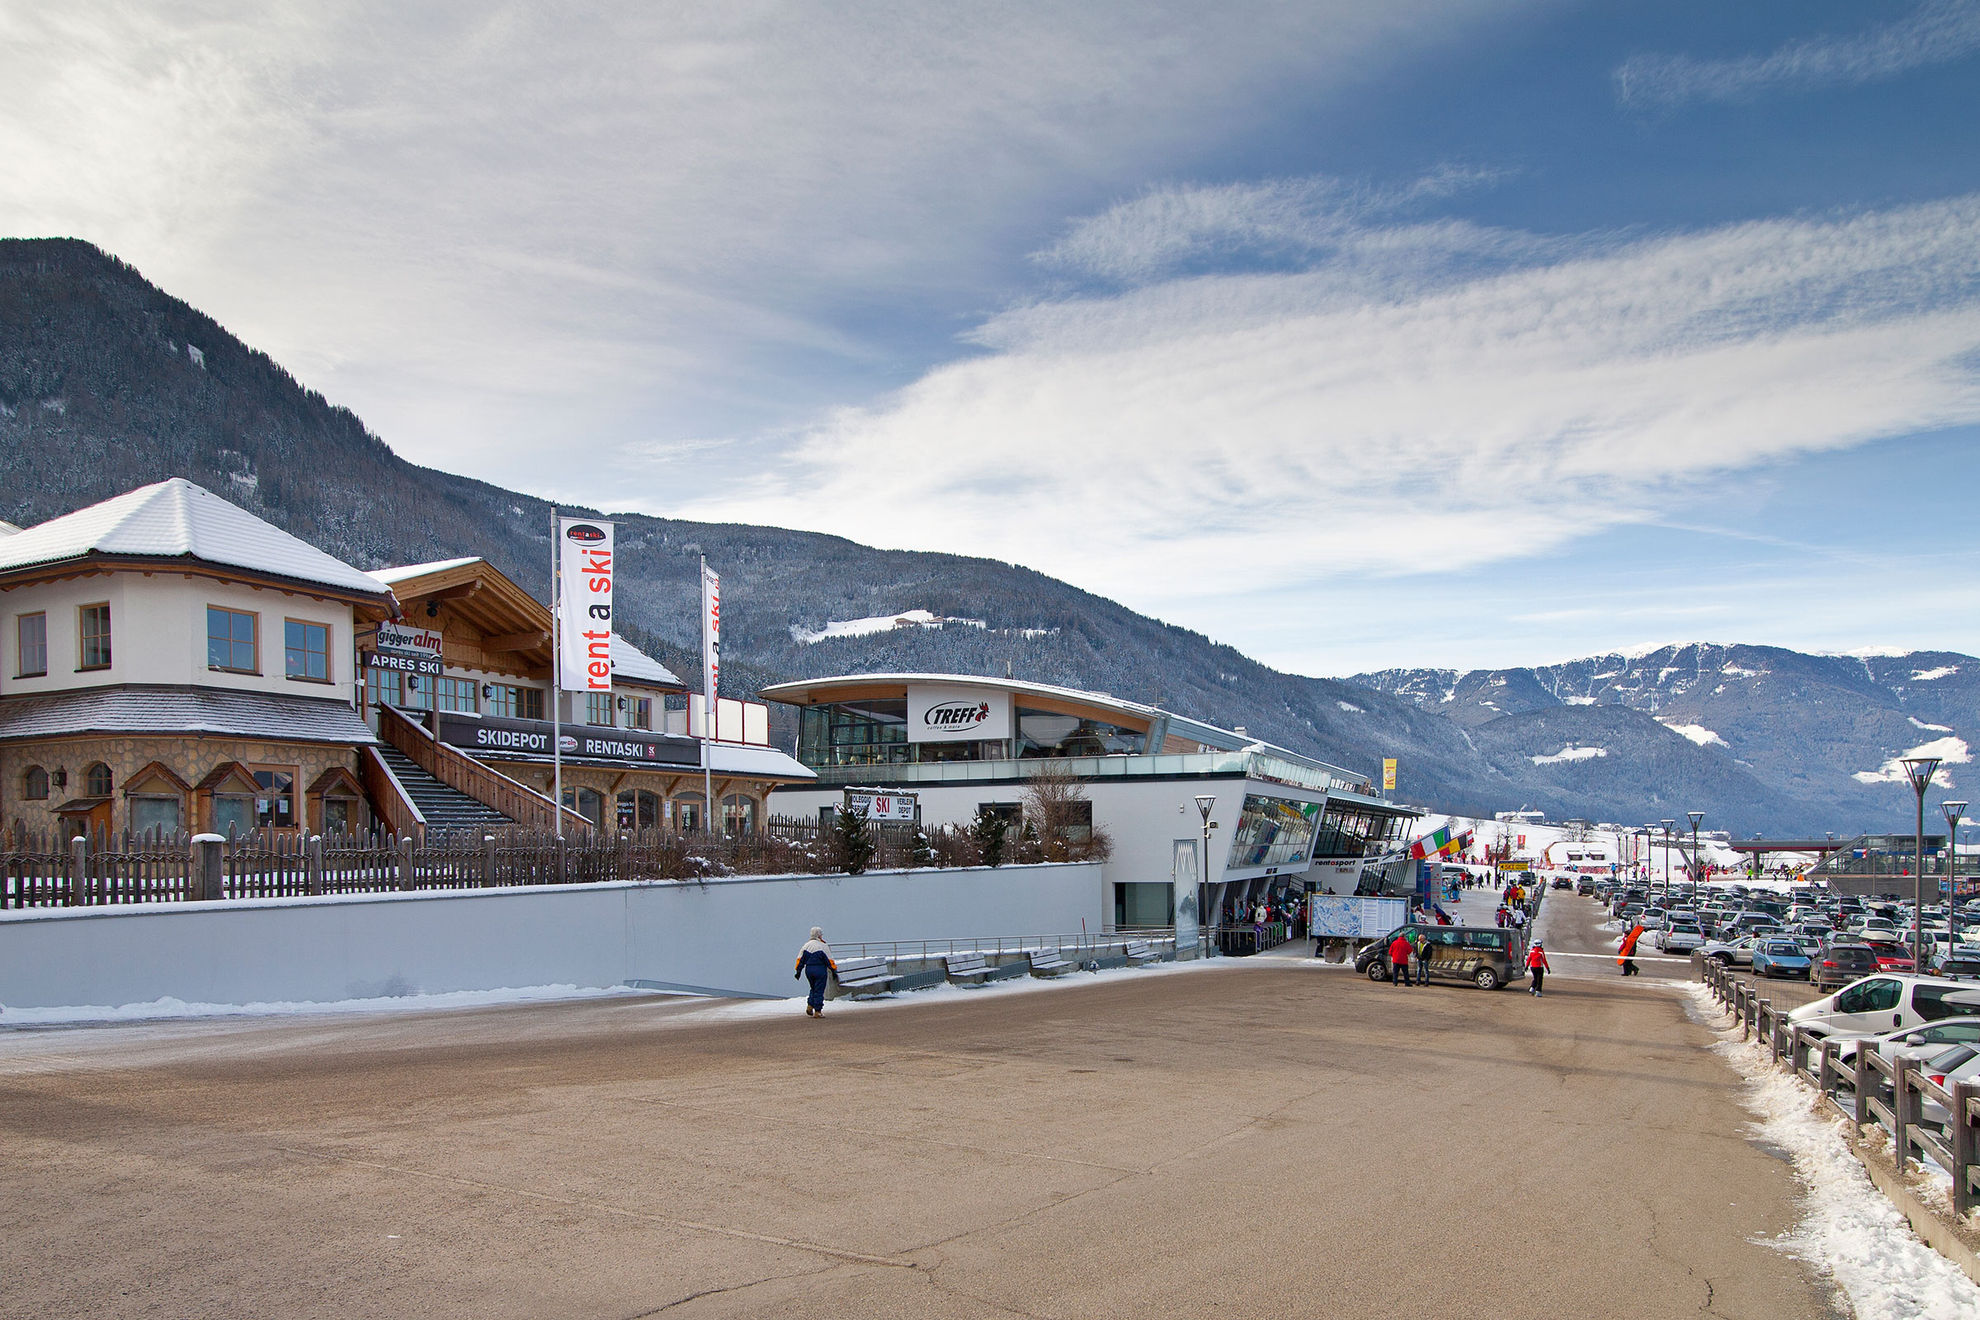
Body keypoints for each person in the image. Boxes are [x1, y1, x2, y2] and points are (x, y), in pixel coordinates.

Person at [794, 926, 837, 1017]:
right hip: (820, 970)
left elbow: (800, 960)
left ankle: (810, 1005)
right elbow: (830, 961)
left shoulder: (806, 945)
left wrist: (798, 971)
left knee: (813, 988)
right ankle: (818, 1011)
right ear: (819, 935)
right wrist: (834, 971)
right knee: (819, 990)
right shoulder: (823, 946)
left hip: (809, 970)